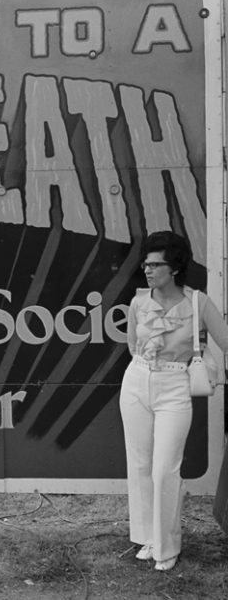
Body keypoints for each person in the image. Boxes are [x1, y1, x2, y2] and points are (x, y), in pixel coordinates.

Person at [121, 231, 228, 571]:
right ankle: (148, 538)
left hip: (176, 385)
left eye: (156, 265)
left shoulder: (198, 303)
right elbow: (132, 346)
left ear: (175, 268)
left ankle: (167, 547)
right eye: (146, 264)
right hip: (137, 380)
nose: (148, 270)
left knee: (165, 468)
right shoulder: (138, 303)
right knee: (140, 465)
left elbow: (225, 341)